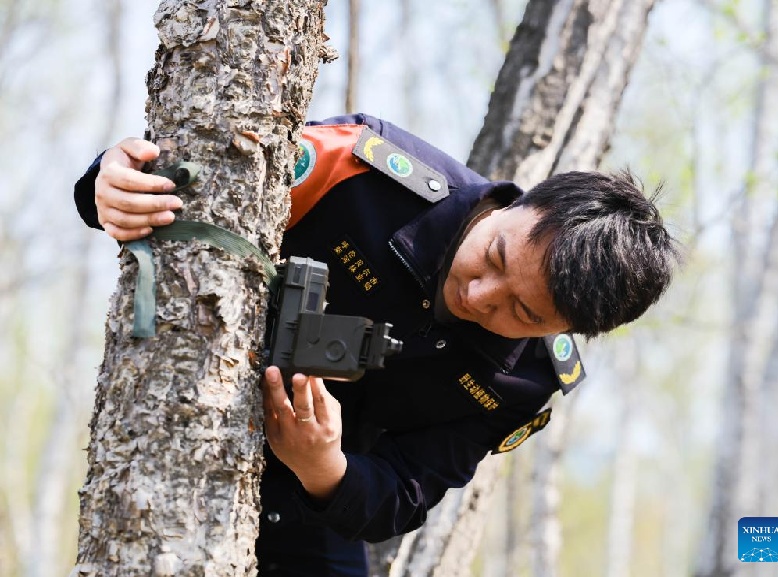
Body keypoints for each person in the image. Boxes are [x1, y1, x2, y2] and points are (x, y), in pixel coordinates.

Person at [73, 113, 679, 576]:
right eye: (494, 256)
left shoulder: (524, 384)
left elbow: (404, 494)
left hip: (312, 512)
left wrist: (324, 468)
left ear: (562, 332)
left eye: (520, 312)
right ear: (522, 202)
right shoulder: (360, 172)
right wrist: (109, 183)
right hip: (177, 420)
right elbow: (191, 179)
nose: (479, 295)